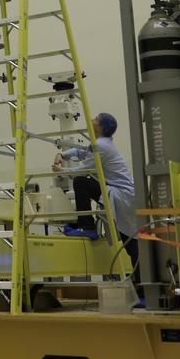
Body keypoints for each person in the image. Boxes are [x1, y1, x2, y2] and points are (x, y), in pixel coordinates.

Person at [53, 112, 140, 285]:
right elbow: (83, 151)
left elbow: (83, 169)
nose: (91, 121)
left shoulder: (102, 146)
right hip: (122, 193)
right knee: (131, 243)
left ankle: (87, 226)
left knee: (131, 244)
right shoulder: (102, 143)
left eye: (95, 120)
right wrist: (63, 155)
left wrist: (61, 171)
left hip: (122, 196)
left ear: (100, 127)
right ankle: (141, 288)